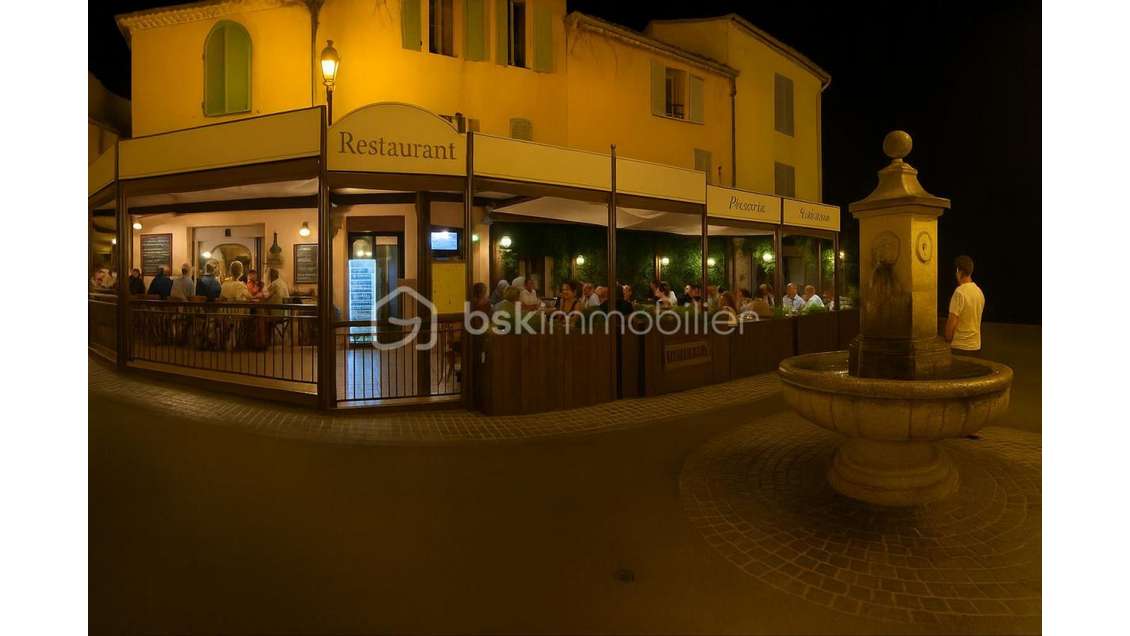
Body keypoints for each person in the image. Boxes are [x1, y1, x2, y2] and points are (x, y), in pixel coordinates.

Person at [945, 255, 985, 355]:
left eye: (957, 271)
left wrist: (947, 339)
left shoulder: (959, 292)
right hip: (976, 347)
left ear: (960, 272)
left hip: (960, 347)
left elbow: (952, 321)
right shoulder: (979, 292)